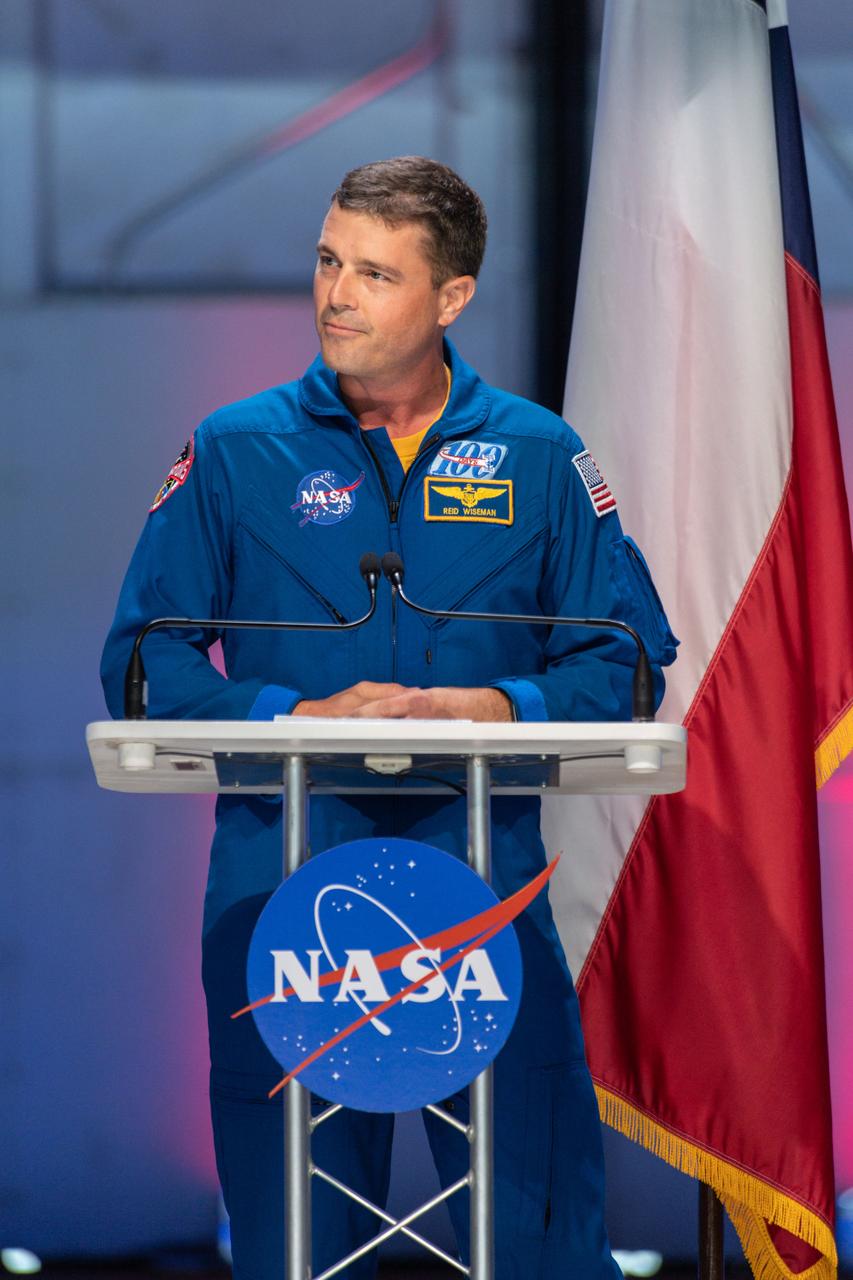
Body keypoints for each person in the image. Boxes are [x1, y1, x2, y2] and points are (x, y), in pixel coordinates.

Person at [101, 156, 677, 1279]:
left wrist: (495, 705)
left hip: (484, 891)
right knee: (299, 1249)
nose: (336, 295)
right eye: (328, 261)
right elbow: (141, 662)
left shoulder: (539, 454)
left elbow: (624, 663)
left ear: (451, 296)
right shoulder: (235, 448)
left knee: (538, 1244)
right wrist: (297, 713)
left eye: (375, 273)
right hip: (285, 894)